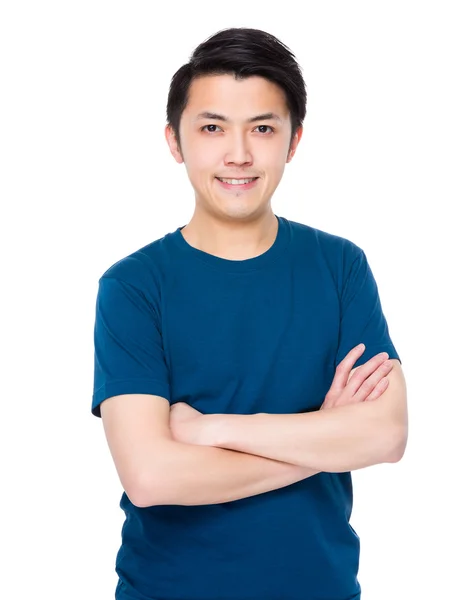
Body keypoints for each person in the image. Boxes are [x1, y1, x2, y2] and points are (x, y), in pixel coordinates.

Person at [91, 27, 408, 600]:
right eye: (212, 128)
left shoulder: (339, 267)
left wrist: (208, 430)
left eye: (262, 128)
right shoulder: (133, 286)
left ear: (293, 141)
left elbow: (384, 435)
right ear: (175, 140)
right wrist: (321, 442)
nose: (238, 154)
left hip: (321, 588)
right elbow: (151, 477)